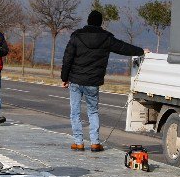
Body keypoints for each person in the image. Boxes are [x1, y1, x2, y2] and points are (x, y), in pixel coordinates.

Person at [61, 10, 146, 152]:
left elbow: (67, 58)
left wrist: (65, 78)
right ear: (100, 23)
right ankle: (95, 143)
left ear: (88, 21)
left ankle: (79, 142)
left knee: (75, 112)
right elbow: (123, 47)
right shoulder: (106, 38)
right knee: (93, 112)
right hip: (93, 82)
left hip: (75, 80)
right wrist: (141, 51)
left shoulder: (76, 37)